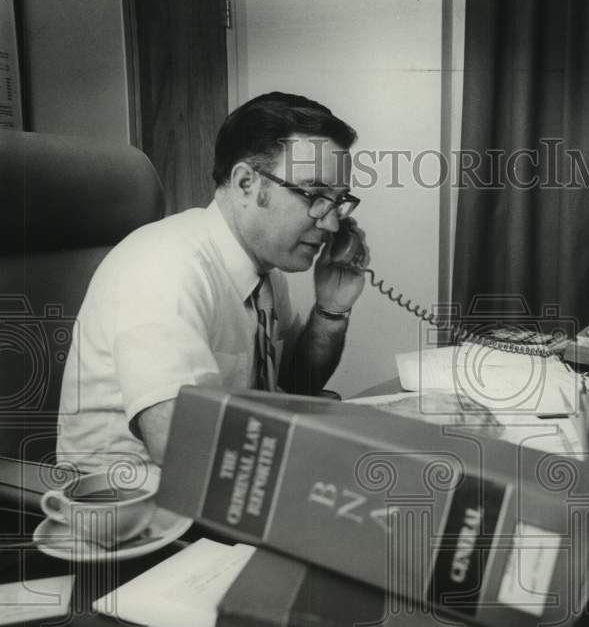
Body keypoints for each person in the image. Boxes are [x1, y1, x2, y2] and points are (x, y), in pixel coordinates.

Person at [57, 92, 370, 472]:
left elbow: (295, 386)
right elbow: (181, 449)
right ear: (245, 183)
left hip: (214, 492)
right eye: (316, 195)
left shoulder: (262, 271)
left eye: (338, 202)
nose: (332, 223)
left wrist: (331, 309)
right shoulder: (164, 267)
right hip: (134, 511)